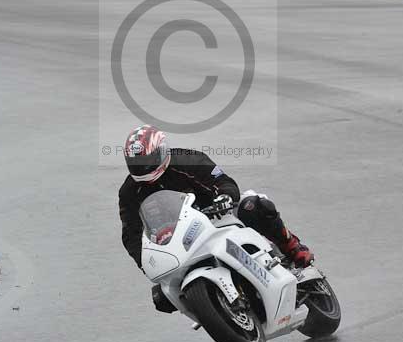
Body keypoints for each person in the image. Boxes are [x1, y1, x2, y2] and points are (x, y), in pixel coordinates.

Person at [118, 125, 314, 313]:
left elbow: (223, 181)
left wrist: (225, 196)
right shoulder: (129, 192)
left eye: (147, 160)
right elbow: (131, 234)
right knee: (162, 298)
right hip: (180, 241)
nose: (143, 167)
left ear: (161, 151)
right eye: (136, 163)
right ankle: (212, 308)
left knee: (255, 207)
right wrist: (147, 264)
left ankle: (292, 246)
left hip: (218, 216)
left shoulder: (188, 160)